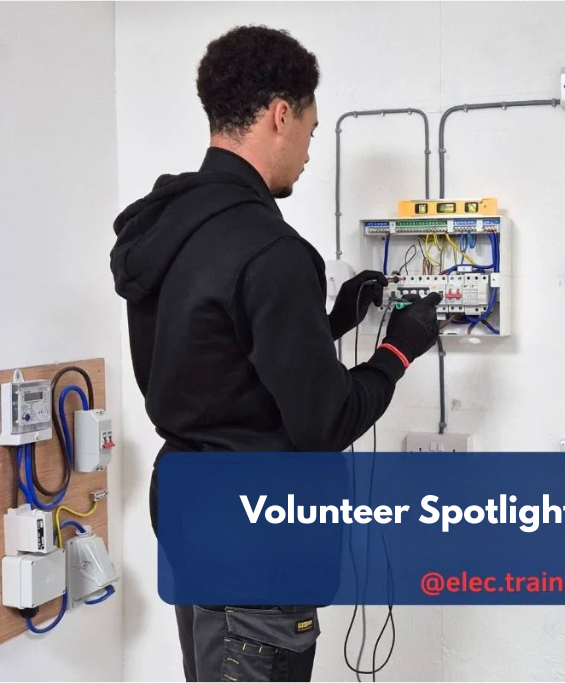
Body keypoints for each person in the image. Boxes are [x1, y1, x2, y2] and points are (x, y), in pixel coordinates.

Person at [109, 25, 440, 682]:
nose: (310, 153)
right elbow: (327, 421)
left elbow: (221, 362)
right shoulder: (272, 249)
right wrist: (401, 349)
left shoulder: (165, 225)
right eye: (312, 132)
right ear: (279, 115)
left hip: (190, 516)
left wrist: (330, 322)